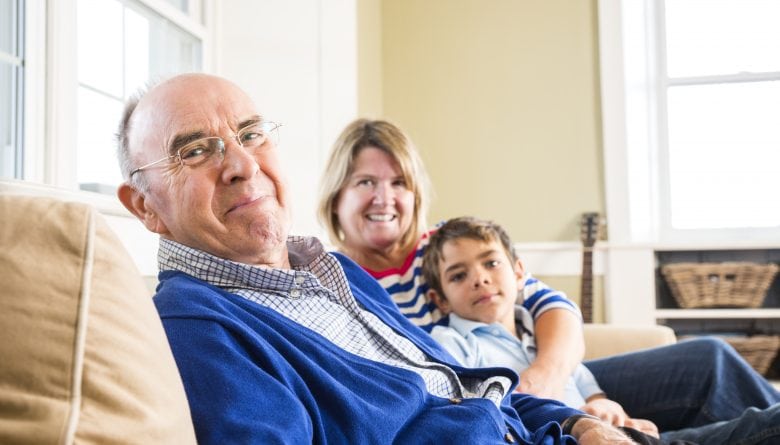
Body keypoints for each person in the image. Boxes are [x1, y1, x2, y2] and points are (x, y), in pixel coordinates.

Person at [115, 73, 648, 444]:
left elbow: (465, 381)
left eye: (251, 134)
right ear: (145, 206)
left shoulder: (339, 273)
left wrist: (577, 424)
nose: (242, 164)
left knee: (722, 384)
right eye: (195, 150)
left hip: (551, 430)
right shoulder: (200, 327)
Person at [316, 118, 780, 443]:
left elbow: (550, 306)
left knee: (710, 359)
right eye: (365, 183)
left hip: (539, 380)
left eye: (399, 182)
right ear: (337, 196)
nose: (385, 197)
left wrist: (552, 382)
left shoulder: (447, 246)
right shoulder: (335, 282)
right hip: (487, 406)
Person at [421, 216, 659, 437]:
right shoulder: (451, 342)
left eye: (491, 263)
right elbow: (469, 412)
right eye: (458, 276)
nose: (479, 279)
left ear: (519, 273)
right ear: (440, 300)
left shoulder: (545, 335)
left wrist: (606, 407)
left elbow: (592, 393)